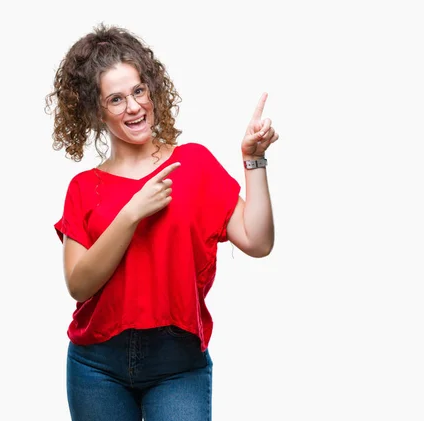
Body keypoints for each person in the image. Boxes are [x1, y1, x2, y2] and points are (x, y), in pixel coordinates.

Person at [45, 23, 278, 421]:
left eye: (138, 91)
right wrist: (132, 213)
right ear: (95, 109)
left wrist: (253, 161)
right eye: (115, 99)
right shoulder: (85, 188)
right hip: (96, 366)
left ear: (152, 87)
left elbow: (258, 241)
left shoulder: (194, 164)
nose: (134, 107)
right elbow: (78, 284)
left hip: (178, 364)